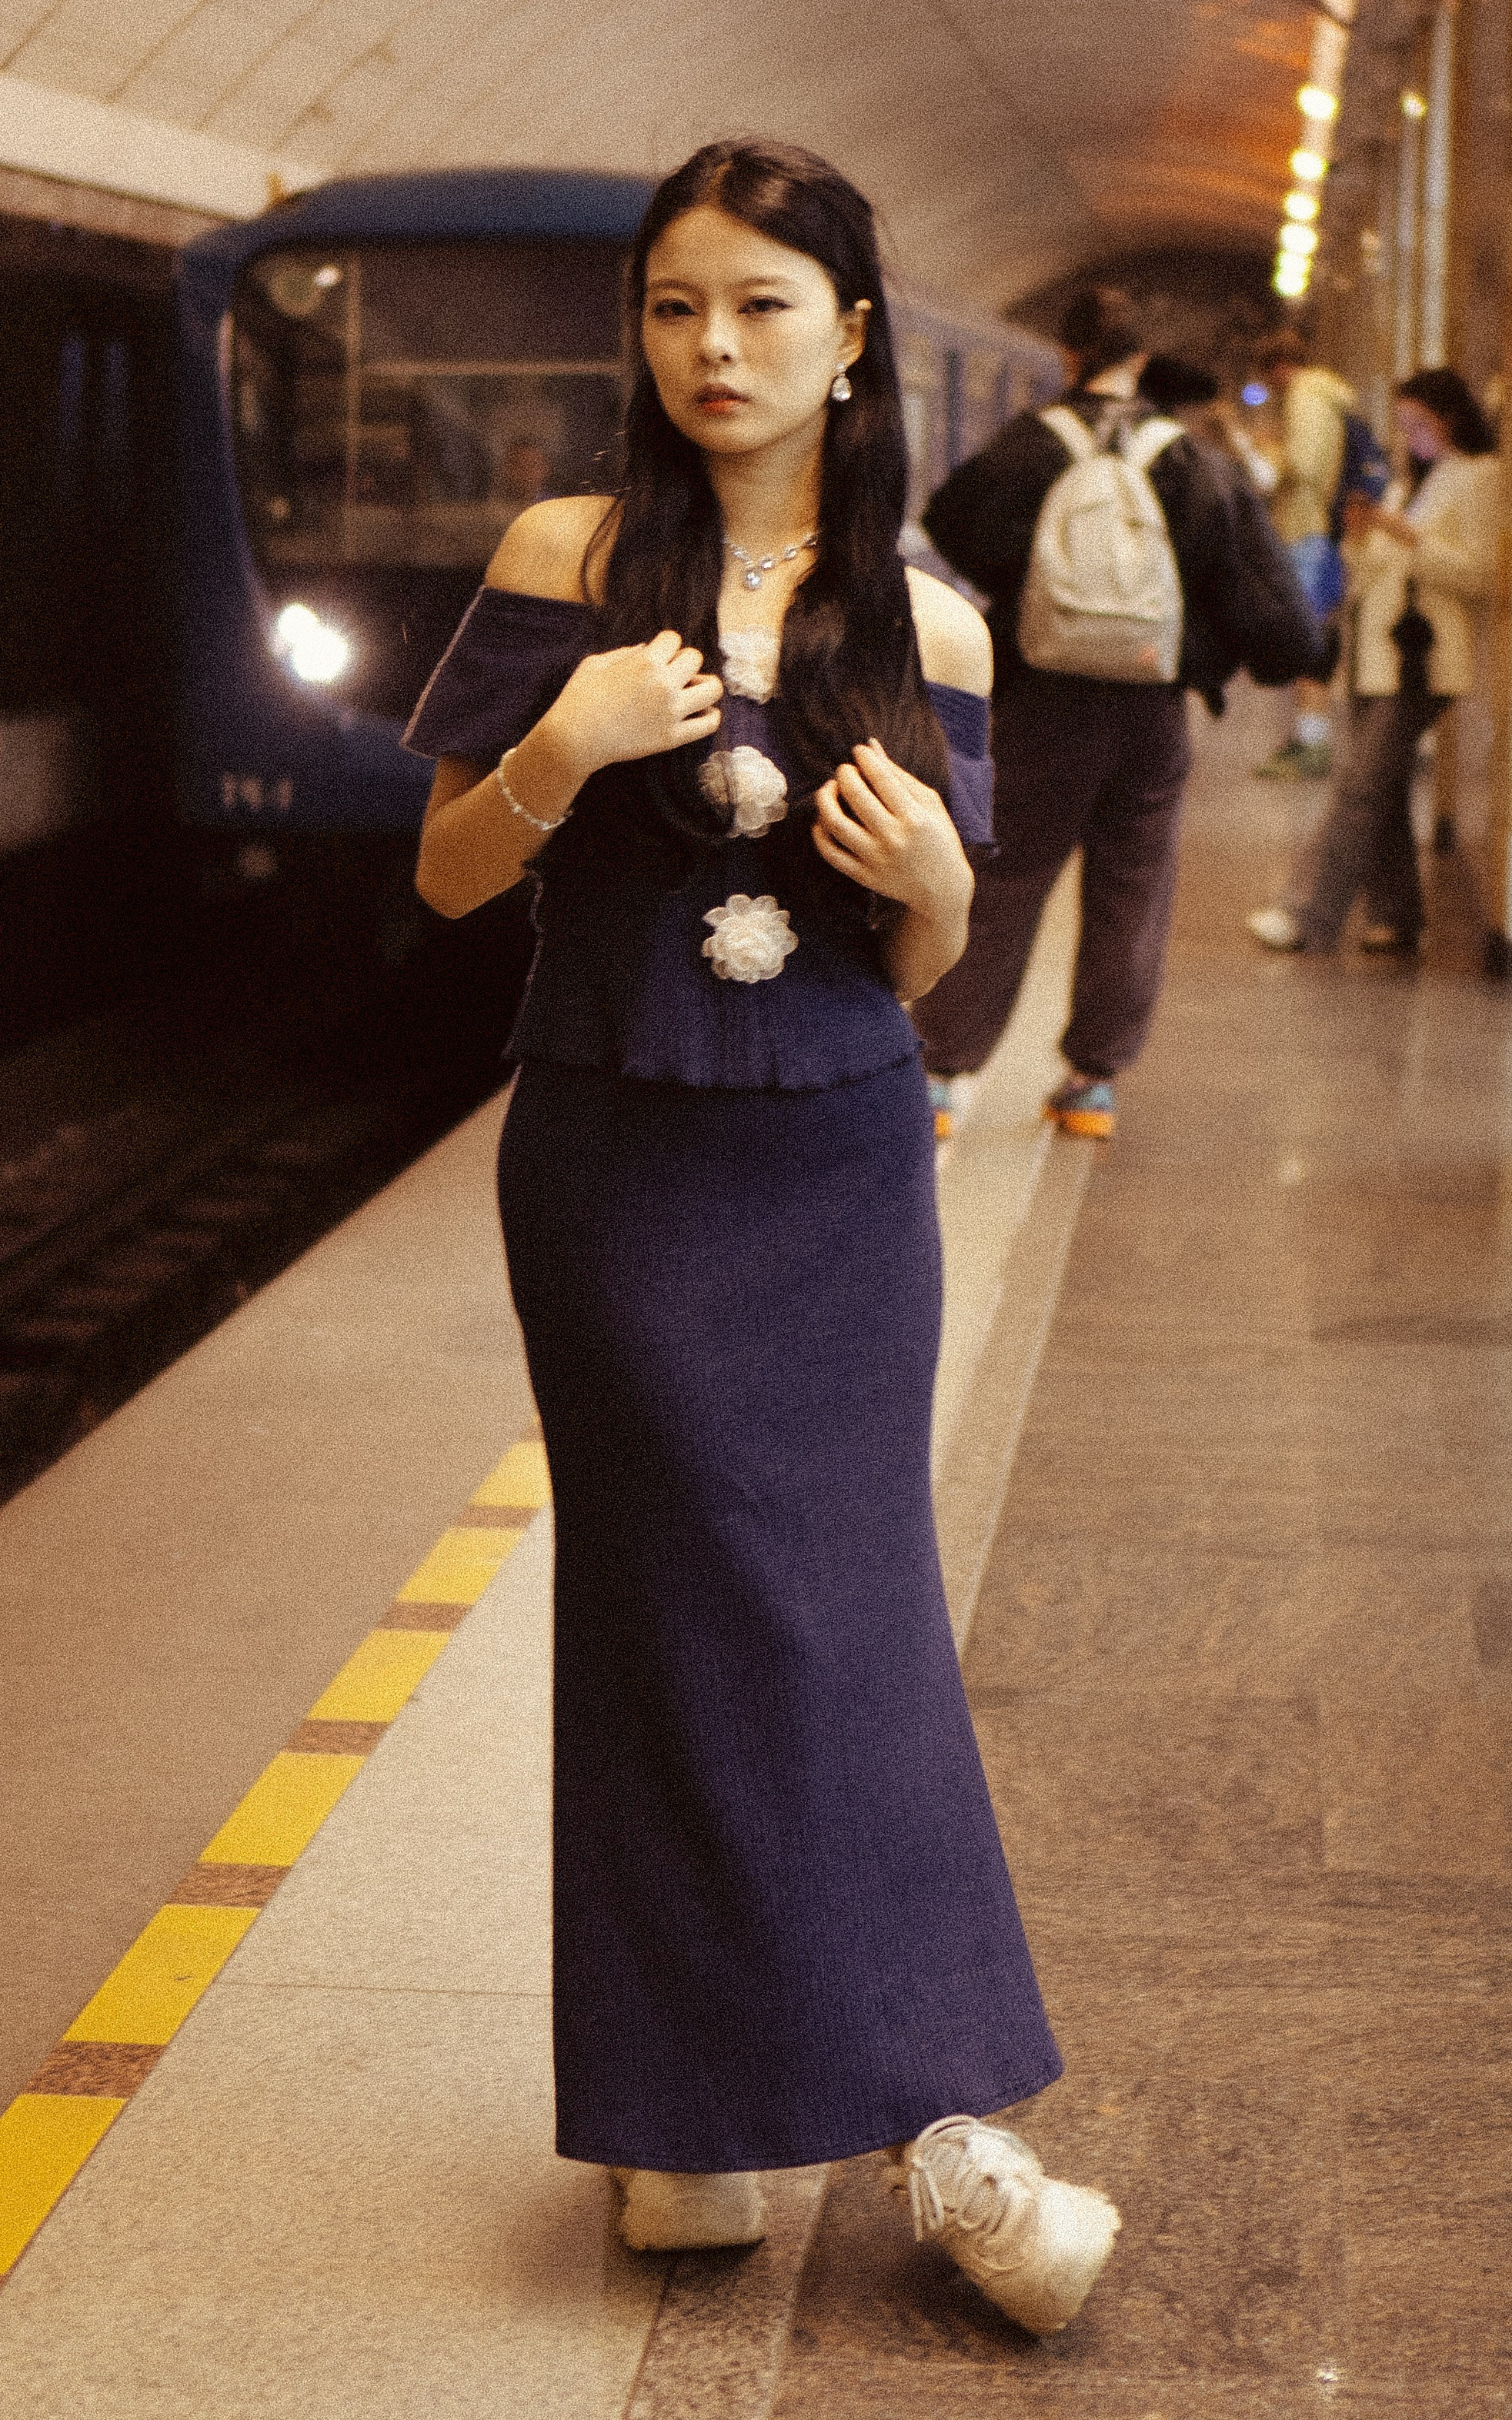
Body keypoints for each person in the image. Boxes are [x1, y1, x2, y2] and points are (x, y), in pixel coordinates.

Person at [403, 140, 1120, 2337]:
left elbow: (912, 979)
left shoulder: (936, 623)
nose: (713, 350)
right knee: (664, 1610)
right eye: (676, 307)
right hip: (614, 1160)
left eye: (762, 308)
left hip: (830, 1163)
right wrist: (560, 744)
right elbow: (444, 875)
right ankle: (695, 2121)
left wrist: (943, 885)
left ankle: (911, 2114)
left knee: (842, 1621)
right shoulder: (569, 554)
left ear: (855, 336)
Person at [913, 283, 1322, 1142]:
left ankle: (945, 1073)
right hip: (1150, 709)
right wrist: (1267, 654)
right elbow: (1257, 592)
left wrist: (1032, 585)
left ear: (1067, 357)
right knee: (1134, 887)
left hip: (1039, 703)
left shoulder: (1030, 444)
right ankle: (1090, 1082)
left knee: (1004, 876)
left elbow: (949, 519)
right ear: (1142, 363)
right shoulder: (1192, 458)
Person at [1248, 365, 1502, 958]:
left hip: (1424, 658)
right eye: (1404, 422)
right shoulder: (1410, 482)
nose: (1409, 433)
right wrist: (1361, 537)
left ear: (1450, 419)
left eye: (1419, 422)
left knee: (1359, 786)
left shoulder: (1479, 478)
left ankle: (1306, 914)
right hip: (1372, 653)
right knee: (1379, 790)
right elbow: (1369, 574)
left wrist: (1408, 538)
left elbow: (1479, 575)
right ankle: (1396, 915)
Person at [1248, 342, 1391, 780]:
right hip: (1319, 533)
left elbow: (1305, 466)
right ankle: (1309, 739)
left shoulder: (1306, 394)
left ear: (1280, 369)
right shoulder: (1327, 396)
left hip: (1307, 532)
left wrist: (1267, 452)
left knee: (1308, 641)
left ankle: (1313, 745)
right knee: (1312, 637)